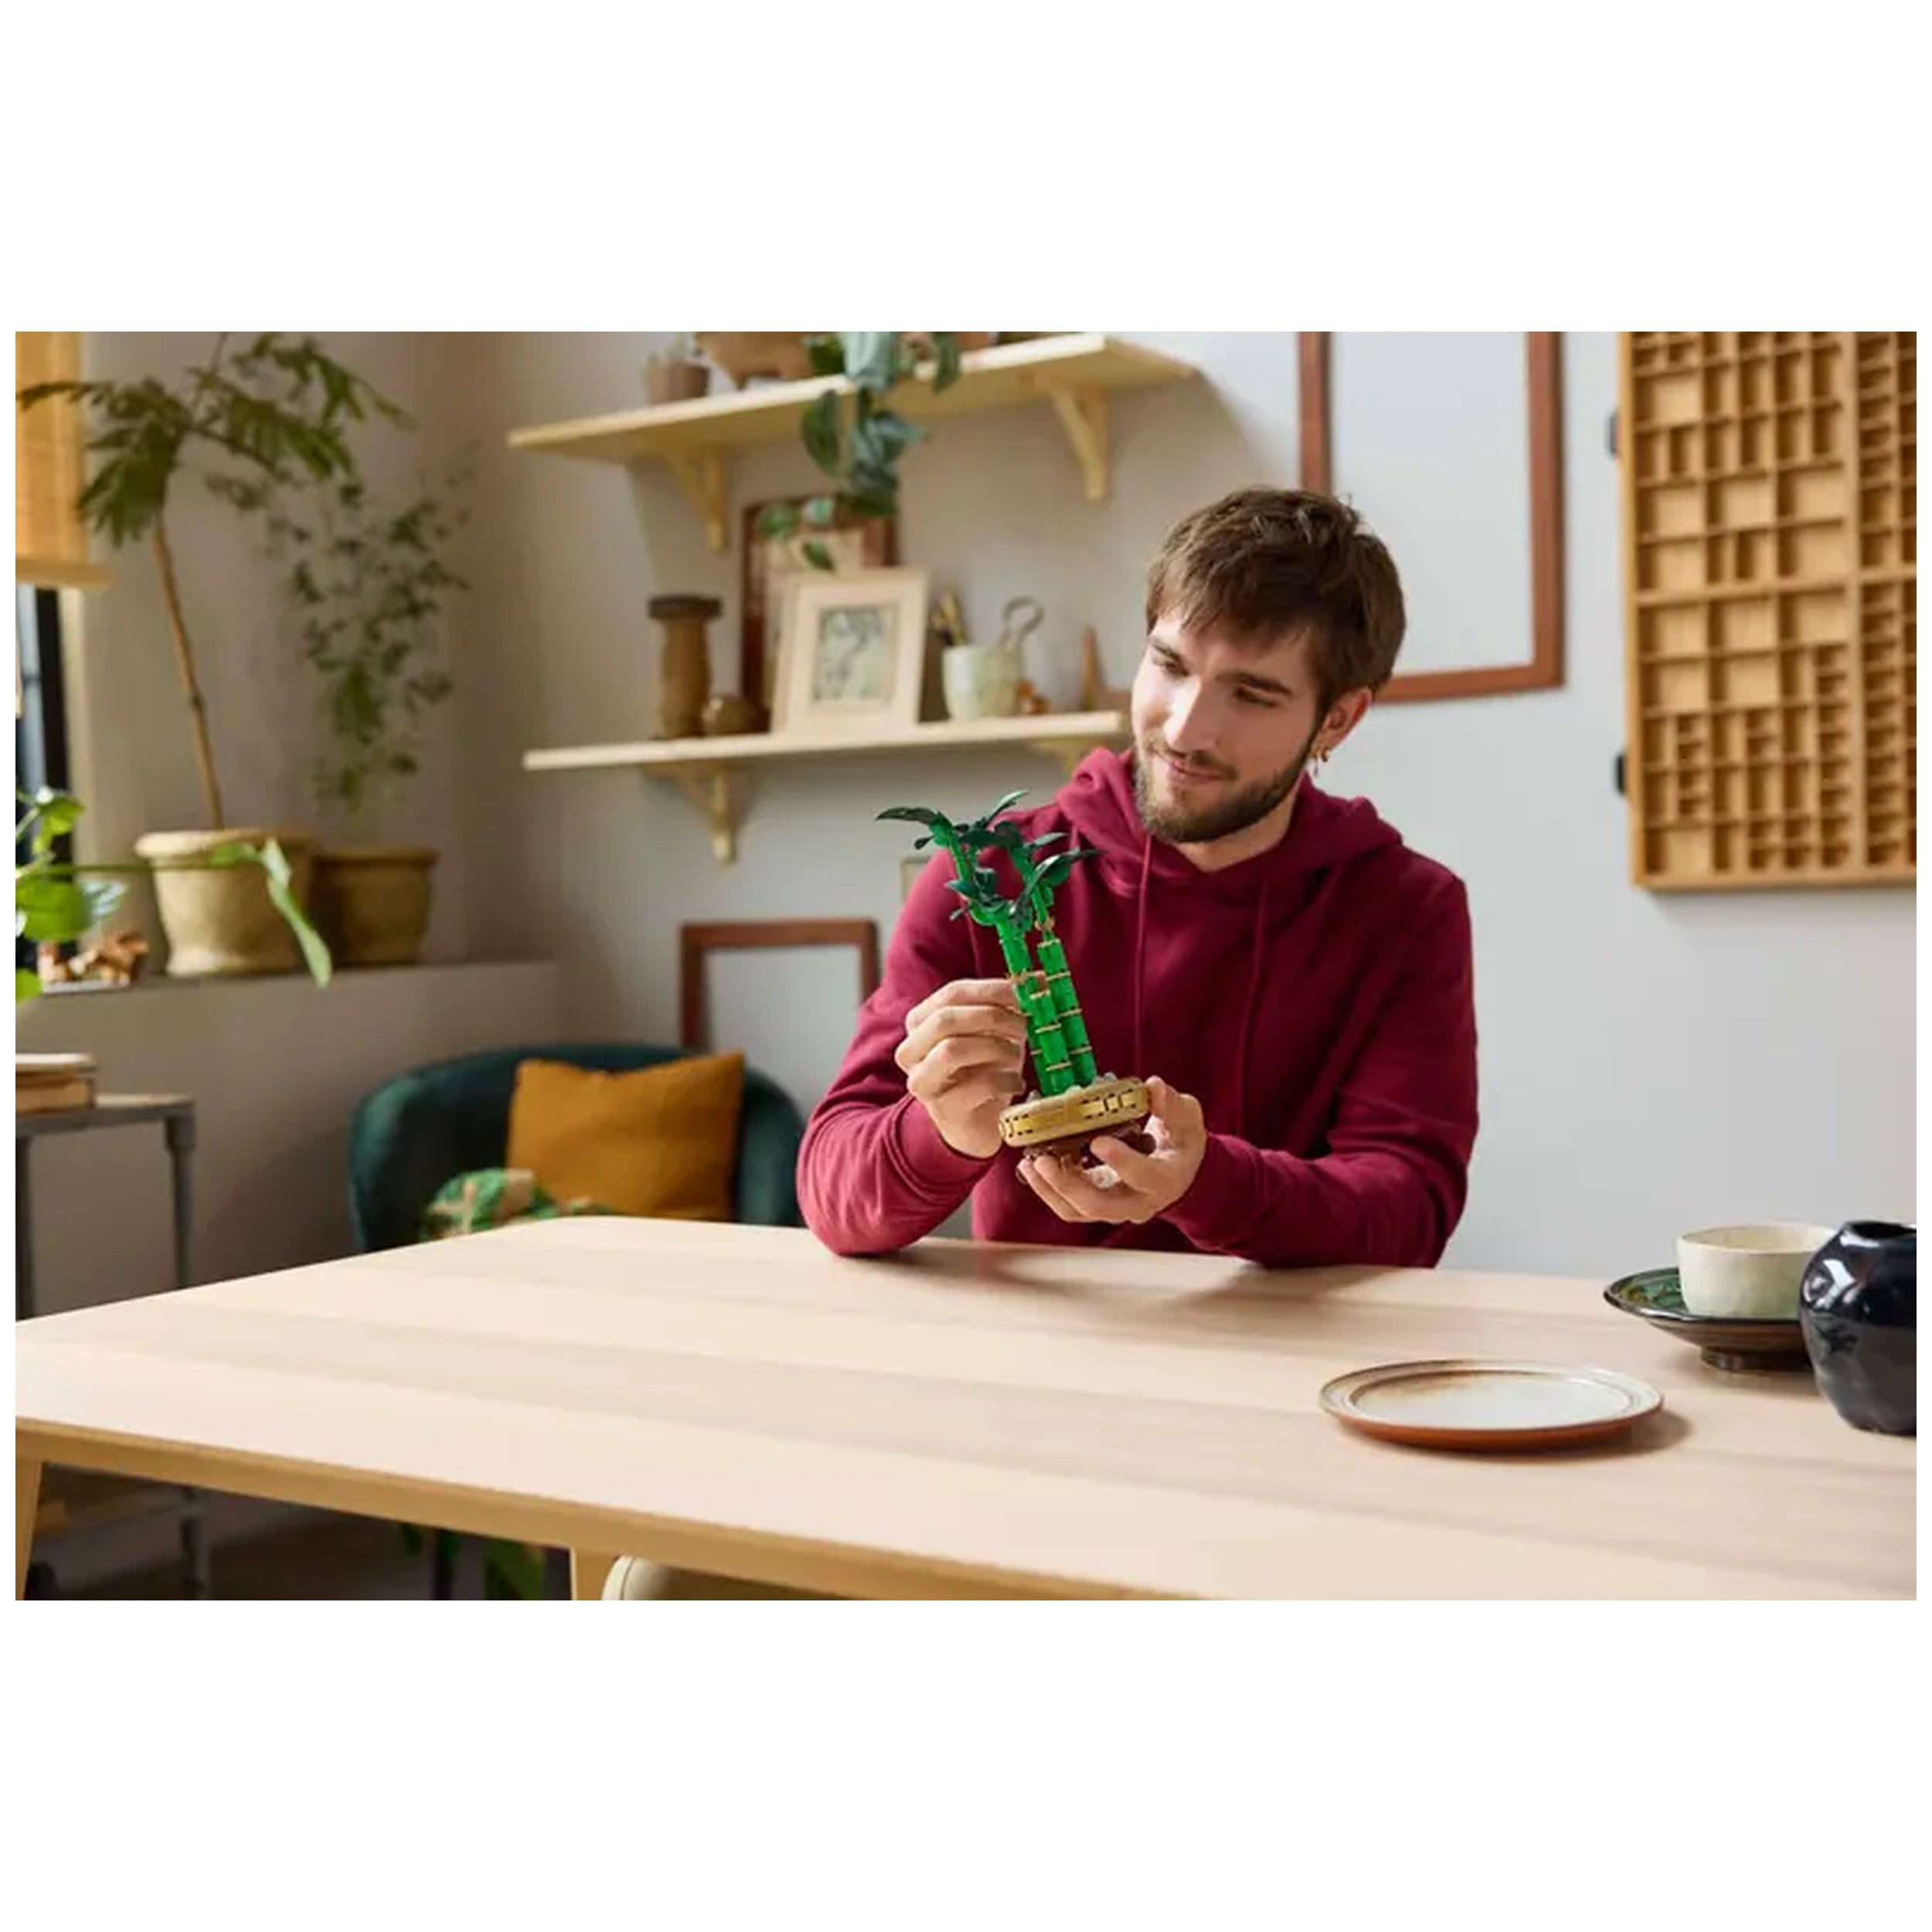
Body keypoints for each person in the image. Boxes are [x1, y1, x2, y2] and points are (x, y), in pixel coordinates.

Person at [797, 486, 1479, 1269]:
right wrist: (940, 1130)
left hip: (1279, 1353)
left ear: (1336, 720)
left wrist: (1208, 1183)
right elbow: (831, 1195)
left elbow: (1408, 1209)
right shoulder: (987, 879)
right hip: (1040, 1356)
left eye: (1251, 695)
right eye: (1169, 665)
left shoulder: (1404, 909)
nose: (1186, 728)